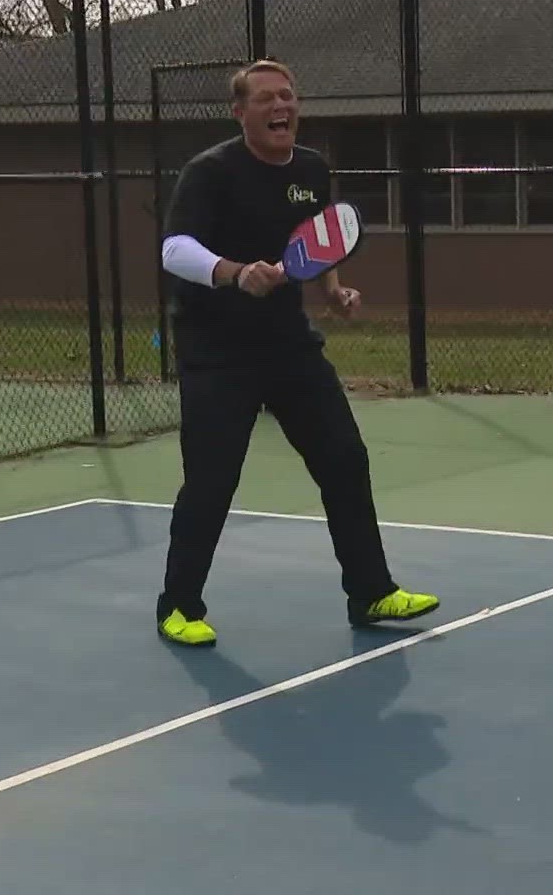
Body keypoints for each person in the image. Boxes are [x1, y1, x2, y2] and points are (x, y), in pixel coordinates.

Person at [153, 58, 438, 647]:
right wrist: (234, 274)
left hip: (290, 347)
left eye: (288, 96)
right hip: (217, 353)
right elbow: (174, 249)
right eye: (265, 99)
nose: (281, 107)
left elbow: (316, 241)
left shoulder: (310, 169)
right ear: (241, 113)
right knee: (212, 479)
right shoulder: (209, 173)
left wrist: (333, 291)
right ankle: (179, 606)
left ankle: (371, 591)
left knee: (345, 459)